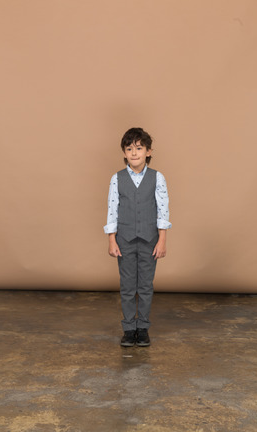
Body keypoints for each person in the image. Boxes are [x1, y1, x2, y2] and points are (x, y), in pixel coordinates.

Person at [104, 127, 171, 347]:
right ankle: (128, 328)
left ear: (148, 151)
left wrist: (162, 239)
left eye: (139, 148)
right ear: (124, 153)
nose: (134, 153)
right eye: (129, 148)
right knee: (127, 286)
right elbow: (112, 209)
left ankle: (142, 328)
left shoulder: (157, 178)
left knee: (145, 286)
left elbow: (163, 210)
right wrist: (111, 239)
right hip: (124, 239)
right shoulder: (117, 179)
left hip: (150, 240)